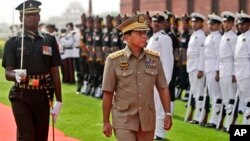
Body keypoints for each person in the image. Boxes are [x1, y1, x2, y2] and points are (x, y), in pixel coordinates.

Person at [102, 14, 172, 141]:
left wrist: (167, 113)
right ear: (127, 37)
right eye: (139, 33)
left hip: (147, 119)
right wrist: (106, 121)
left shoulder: (154, 59)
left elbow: (163, 88)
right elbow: (108, 92)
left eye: (145, 33)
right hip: (124, 119)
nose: (145, 36)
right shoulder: (113, 60)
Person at [2, 0, 62, 141]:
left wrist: (59, 101)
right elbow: (7, 72)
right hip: (21, 94)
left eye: (35, 14)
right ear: (21, 18)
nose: (32, 18)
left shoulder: (49, 40)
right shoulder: (13, 42)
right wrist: (15, 75)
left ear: (39, 17)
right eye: (28, 15)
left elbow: (54, 71)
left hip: (43, 94)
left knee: (41, 137)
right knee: (27, 136)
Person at [146, 11, 174, 140]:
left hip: (159, 78)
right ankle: (154, 131)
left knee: (160, 107)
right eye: (154, 21)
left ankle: (160, 133)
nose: (155, 23)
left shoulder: (165, 38)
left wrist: (165, 81)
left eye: (158, 21)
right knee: (152, 106)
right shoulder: (151, 38)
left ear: (163, 23)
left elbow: (168, 61)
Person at [203, 13, 223, 128]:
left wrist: (217, 71)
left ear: (218, 25)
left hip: (213, 67)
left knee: (216, 95)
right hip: (208, 66)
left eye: (213, 24)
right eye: (210, 23)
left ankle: (215, 120)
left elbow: (218, 56)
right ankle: (213, 118)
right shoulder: (210, 36)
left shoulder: (218, 37)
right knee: (211, 94)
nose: (210, 25)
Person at [186, 12, 206, 124]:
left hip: (197, 67)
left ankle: (198, 116)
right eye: (193, 22)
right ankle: (196, 116)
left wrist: (200, 69)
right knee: (194, 92)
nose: (194, 24)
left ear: (201, 24)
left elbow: (202, 53)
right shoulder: (193, 35)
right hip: (191, 66)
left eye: (197, 22)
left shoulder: (201, 35)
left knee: (199, 92)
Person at [219, 11, 237, 131]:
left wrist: (234, 72)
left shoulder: (233, 37)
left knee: (231, 97)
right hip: (222, 67)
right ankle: (227, 123)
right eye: (223, 22)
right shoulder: (223, 36)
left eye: (226, 22)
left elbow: (236, 56)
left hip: (230, 67)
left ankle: (232, 123)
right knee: (225, 97)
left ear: (231, 23)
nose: (224, 24)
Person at [234, 11, 250, 125]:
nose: (241, 26)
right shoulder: (240, 37)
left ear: (248, 24)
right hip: (240, 71)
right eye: (239, 24)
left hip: (247, 71)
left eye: (243, 24)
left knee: (248, 99)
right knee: (243, 100)